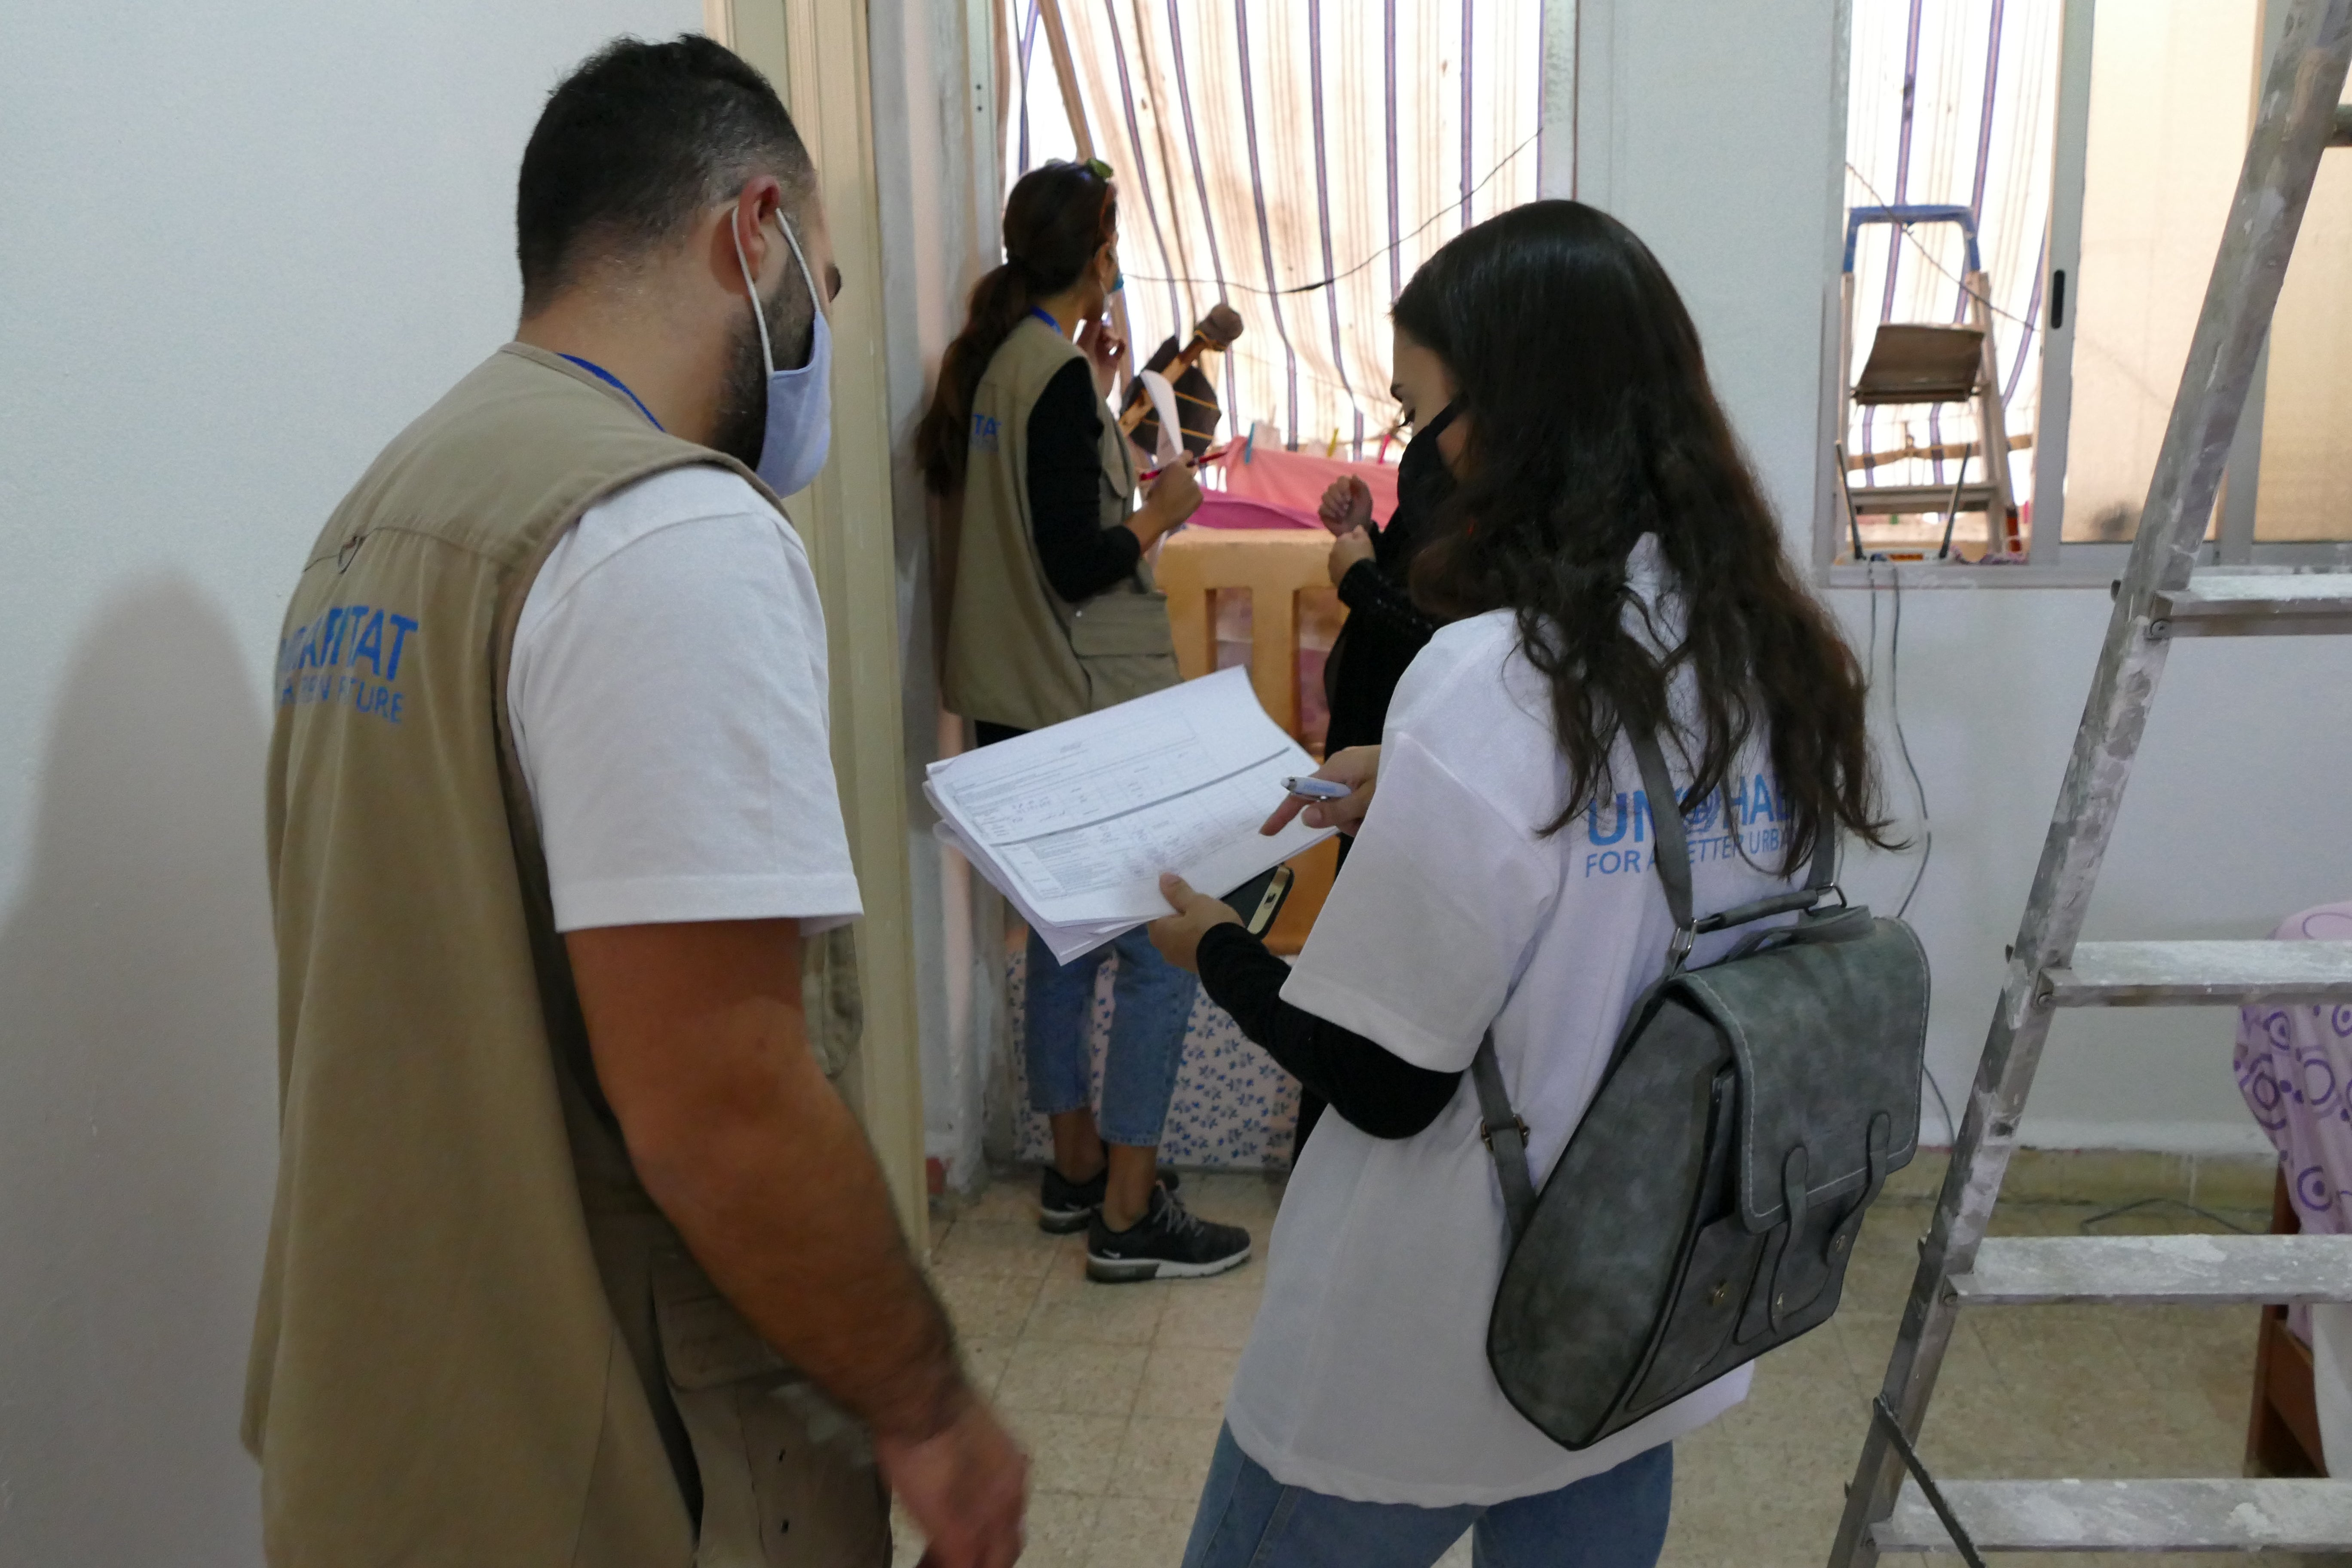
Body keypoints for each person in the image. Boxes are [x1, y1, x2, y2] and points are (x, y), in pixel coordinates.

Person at [248, 38, 1025, 1568]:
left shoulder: (386, 507)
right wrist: (929, 1402)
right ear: (754, 230)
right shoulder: (662, 530)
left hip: (386, 1426)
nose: (824, 330)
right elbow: (722, 1103)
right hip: (602, 1463)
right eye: (829, 281)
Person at [1148, 200, 1893, 1567]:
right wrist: (1415, 780)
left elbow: (1384, 1081)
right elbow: (1626, 855)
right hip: (1636, 1313)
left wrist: (1212, 949)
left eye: (1423, 414)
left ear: (1517, 420)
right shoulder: (1759, 650)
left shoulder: (1495, 681)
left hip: (1425, 1346)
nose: (1419, 455)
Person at [917, 160, 1251, 1283]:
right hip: (1083, 708)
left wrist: (1101, 398)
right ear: (1099, 258)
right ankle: (1127, 1207)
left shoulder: (1004, 369)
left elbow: (1031, 515)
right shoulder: (1050, 374)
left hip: (1016, 704)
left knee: (1061, 946)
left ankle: (1071, 1169)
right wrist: (1161, 509)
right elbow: (1075, 556)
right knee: (1164, 953)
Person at [1284, 334, 1459, 1156]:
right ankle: (1332, 1149)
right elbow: (1427, 578)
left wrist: (1359, 578)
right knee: (1351, 953)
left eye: (1413, 407)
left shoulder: (1473, 462)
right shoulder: (1446, 457)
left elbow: (1447, 634)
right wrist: (1372, 534)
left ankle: (1344, 1145)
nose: (1411, 428)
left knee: (1370, 970)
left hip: (1412, 756)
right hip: (1380, 751)